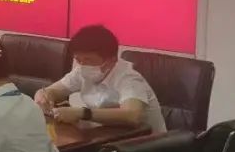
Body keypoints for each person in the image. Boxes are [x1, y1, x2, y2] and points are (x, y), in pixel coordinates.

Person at [35, 24, 166, 133]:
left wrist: (82, 113)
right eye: (78, 60)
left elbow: (132, 115)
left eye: (88, 59)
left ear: (111, 60)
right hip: (106, 137)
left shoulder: (129, 78)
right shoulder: (82, 71)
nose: (82, 65)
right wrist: (44, 96)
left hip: (144, 146)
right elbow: (53, 91)